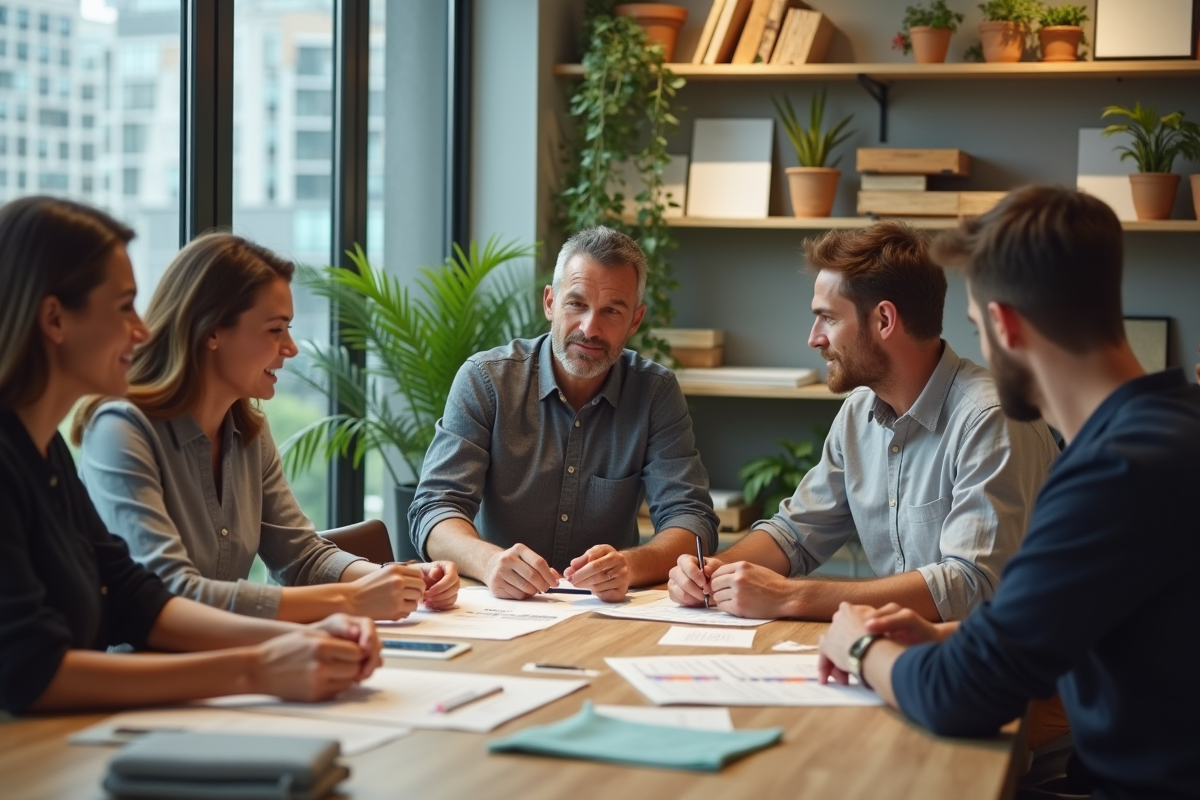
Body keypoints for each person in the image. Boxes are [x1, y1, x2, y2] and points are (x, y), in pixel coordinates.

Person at [818, 186, 1200, 800]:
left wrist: (858, 646)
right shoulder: (1167, 432)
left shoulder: (1113, 475)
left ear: (1005, 325)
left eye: (976, 327)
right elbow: (1047, 626)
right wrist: (945, 636)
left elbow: (963, 696)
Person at [0, 196, 381, 716]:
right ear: (54, 319)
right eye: (123, 306)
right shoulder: (89, 437)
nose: (142, 329)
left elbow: (140, 599)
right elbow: (30, 670)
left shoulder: (44, 455)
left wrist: (288, 640)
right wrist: (261, 664)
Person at [669, 221, 1058, 621]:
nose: (814, 338)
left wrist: (791, 597)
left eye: (828, 319)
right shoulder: (859, 413)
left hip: (1006, 672)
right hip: (907, 652)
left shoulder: (991, 420)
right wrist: (714, 572)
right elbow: (794, 535)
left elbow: (970, 584)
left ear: (885, 320)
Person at [75, 233, 459, 622]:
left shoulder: (249, 434)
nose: (291, 347)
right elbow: (170, 590)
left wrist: (396, 579)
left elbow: (302, 558)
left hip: (237, 661)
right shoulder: (121, 432)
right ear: (211, 331)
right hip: (149, 675)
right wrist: (350, 600)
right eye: (276, 329)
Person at [410, 226, 719, 601]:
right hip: (497, 609)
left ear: (635, 321)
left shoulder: (654, 392)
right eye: (576, 304)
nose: (590, 328)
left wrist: (631, 565)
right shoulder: (485, 380)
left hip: (604, 615)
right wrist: (489, 561)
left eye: (611, 311)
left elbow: (691, 518)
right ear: (550, 302)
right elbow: (436, 507)